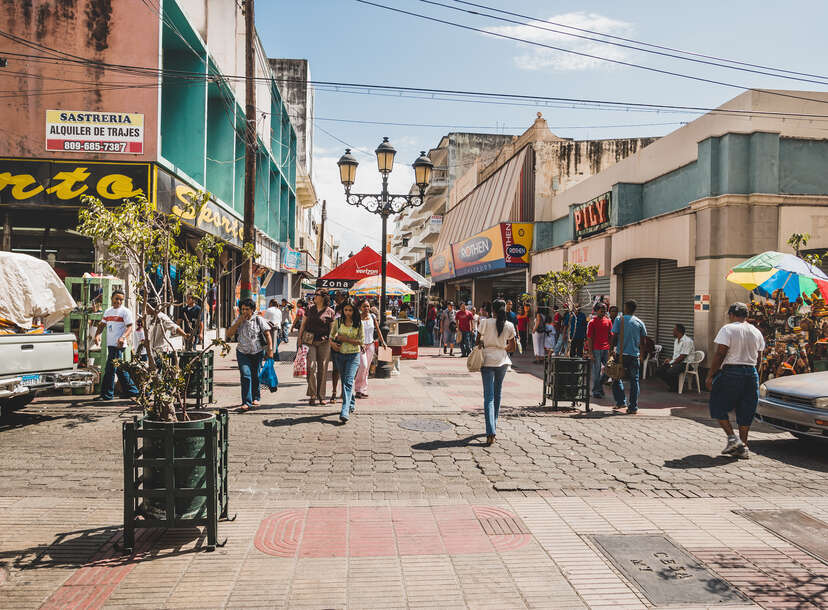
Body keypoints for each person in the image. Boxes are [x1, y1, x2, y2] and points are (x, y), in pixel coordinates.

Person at [705, 302, 765, 460]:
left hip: (732, 371)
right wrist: (755, 375)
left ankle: (733, 438)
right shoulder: (756, 332)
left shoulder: (728, 328)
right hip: (751, 372)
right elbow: (760, 358)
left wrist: (710, 375)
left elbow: (720, 354)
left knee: (717, 404)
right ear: (746, 316)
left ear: (731, 315)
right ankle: (743, 446)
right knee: (746, 408)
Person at [478, 299, 517, 446]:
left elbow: (477, 342)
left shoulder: (485, 323)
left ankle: (490, 432)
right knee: (497, 394)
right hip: (502, 362)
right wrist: (501, 347)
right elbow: (512, 347)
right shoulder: (509, 325)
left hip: (487, 361)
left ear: (492, 310)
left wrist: (488, 344)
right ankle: (493, 426)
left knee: (488, 397)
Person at [226, 298, 273, 412]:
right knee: (245, 374)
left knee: (255, 375)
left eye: (247, 309)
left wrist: (270, 349)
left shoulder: (258, 319)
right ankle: (246, 402)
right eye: (242, 309)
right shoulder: (238, 320)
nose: (244, 311)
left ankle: (256, 397)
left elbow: (267, 334)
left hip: (257, 352)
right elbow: (229, 334)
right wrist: (238, 322)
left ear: (252, 310)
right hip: (242, 352)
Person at [93, 289, 139, 401]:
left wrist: (123, 337)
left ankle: (107, 395)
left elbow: (129, 327)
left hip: (118, 345)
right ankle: (132, 391)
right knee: (119, 369)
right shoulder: (108, 311)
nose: (118, 301)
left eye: (121, 300)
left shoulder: (125, 311)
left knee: (110, 369)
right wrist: (97, 335)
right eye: (116, 299)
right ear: (111, 298)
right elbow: (101, 324)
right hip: (110, 344)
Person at [296, 290, 335, 405]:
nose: (314, 297)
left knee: (323, 369)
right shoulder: (309, 309)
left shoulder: (330, 312)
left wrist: (332, 340)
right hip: (309, 341)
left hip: (324, 342)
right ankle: (312, 394)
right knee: (311, 367)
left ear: (323, 297)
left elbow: (332, 330)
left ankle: (321, 396)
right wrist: (299, 338)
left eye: (316, 295)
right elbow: (303, 324)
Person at [610, 300, 648, 414]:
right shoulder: (640, 322)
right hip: (634, 356)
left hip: (621, 355)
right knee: (634, 381)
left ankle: (621, 401)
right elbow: (643, 342)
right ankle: (633, 407)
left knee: (616, 377)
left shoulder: (619, 319)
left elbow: (614, 336)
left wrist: (611, 349)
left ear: (626, 308)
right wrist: (641, 356)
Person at [330, 299, 364, 423]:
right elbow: (331, 335)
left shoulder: (359, 323)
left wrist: (345, 339)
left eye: (350, 310)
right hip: (339, 355)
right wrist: (332, 343)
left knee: (348, 382)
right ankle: (351, 402)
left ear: (354, 310)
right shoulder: (338, 322)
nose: (348, 312)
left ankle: (344, 410)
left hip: (353, 356)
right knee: (345, 381)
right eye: (346, 310)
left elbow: (361, 341)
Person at [355, 298, 386, 398]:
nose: (366, 308)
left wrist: (383, 342)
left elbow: (378, 329)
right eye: (364, 306)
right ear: (360, 307)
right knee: (362, 366)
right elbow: (355, 333)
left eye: (368, 306)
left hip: (371, 345)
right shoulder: (357, 318)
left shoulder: (372, 316)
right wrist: (359, 343)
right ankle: (357, 388)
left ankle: (363, 389)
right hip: (361, 346)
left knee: (367, 368)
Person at [657, 324, 695, 392]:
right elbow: (676, 355)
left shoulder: (687, 341)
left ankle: (675, 387)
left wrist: (671, 363)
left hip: (686, 364)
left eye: (673, 330)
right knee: (659, 370)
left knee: (670, 371)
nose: (672, 332)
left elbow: (683, 356)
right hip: (677, 362)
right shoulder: (676, 341)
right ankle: (674, 385)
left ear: (678, 331)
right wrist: (670, 360)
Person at [586, 303, 612, 398]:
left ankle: (599, 387)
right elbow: (589, 338)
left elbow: (610, 335)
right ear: (596, 311)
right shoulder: (592, 322)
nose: (604, 312)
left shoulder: (608, 321)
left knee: (609, 370)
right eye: (602, 310)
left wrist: (611, 349)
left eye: (605, 310)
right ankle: (596, 391)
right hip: (596, 350)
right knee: (596, 371)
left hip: (606, 349)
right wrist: (590, 353)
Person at [330, 291, 348, 400]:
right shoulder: (335, 310)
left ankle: (343, 391)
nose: (336, 298)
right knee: (336, 369)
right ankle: (334, 391)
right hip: (336, 342)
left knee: (345, 370)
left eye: (338, 296)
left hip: (347, 343)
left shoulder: (351, 311)